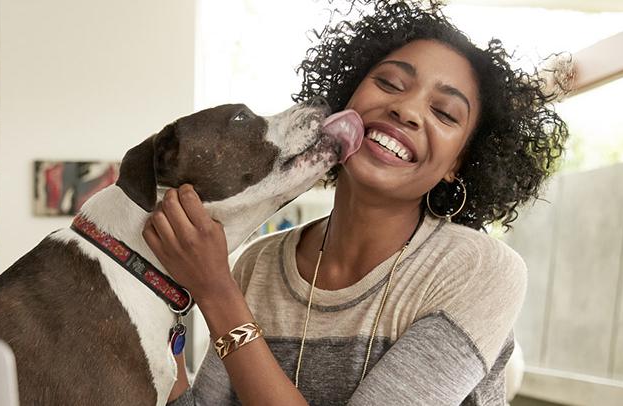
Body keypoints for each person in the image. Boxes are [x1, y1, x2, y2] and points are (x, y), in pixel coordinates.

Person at [144, 1, 568, 405]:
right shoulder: (258, 264)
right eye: (389, 83)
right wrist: (163, 289)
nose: (406, 110)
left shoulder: (480, 271)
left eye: (444, 112)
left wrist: (216, 292)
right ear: (349, 102)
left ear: (458, 163)